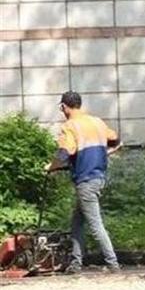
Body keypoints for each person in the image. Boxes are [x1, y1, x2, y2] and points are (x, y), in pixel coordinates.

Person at [44, 91, 121, 274]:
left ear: (64, 107)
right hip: (98, 177)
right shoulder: (97, 122)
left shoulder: (70, 126)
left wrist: (51, 167)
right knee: (77, 223)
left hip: (85, 181)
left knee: (95, 225)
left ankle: (113, 264)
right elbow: (116, 140)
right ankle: (75, 264)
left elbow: (64, 153)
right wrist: (103, 153)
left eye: (61, 107)